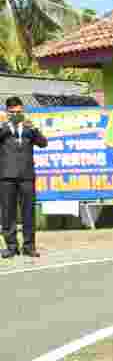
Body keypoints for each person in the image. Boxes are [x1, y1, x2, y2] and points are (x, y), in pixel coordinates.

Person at [0, 95, 48, 258]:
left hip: (27, 176)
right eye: (13, 112)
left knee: (28, 212)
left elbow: (43, 143)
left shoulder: (29, 127)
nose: (16, 114)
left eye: (19, 111)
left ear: (23, 111)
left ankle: (29, 246)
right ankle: (11, 246)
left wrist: (34, 128)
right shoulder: (3, 128)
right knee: (8, 213)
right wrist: (5, 127)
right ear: (7, 112)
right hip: (6, 176)